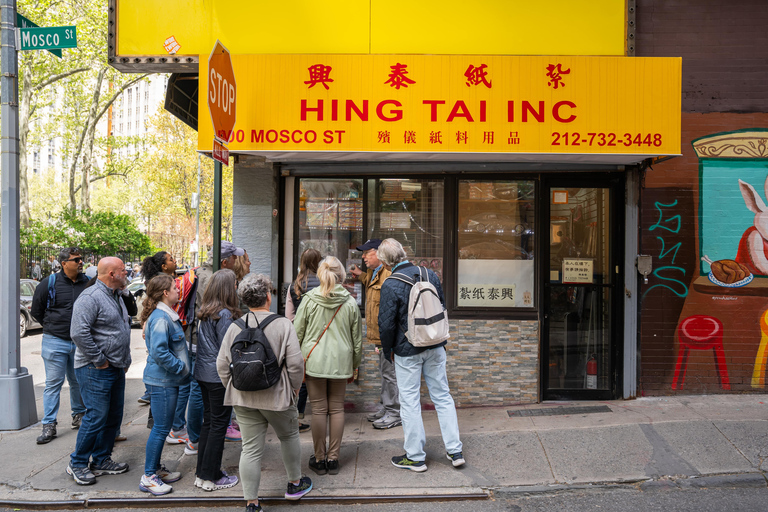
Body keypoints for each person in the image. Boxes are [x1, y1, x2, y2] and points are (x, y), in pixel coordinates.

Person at [217, 273, 312, 512]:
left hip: (244, 398)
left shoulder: (235, 327)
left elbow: (221, 364)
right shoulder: (282, 324)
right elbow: (295, 364)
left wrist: (234, 385)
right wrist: (294, 388)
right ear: (268, 296)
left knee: (250, 448)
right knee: (288, 437)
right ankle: (294, 484)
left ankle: (252, 502)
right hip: (277, 396)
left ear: (245, 300)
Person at [377, 239, 465, 472]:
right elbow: (441, 307)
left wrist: (388, 352)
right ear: (404, 254)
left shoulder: (390, 284)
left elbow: (386, 326)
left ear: (385, 262)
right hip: (435, 345)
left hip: (408, 351)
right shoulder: (431, 275)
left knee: (410, 401)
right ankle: (455, 450)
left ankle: (415, 457)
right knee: (443, 396)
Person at [294, 256, 362, 475]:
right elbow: (357, 340)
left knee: (319, 410)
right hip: (341, 362)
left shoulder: (309, 300)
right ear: (341, 274)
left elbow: (297, 333)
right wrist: (355, 365)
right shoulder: (350, 302)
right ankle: (333, 459)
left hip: (314, 362)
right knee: (337, 409)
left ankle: (319, 458)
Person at [67, 257, 132, 486]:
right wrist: (99, 359)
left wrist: (125, 359)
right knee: (96, 417)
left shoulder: (117, 296)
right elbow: (78, 332)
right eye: (124, 270)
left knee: (112, 417)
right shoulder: (90, 297)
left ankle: (102, 460)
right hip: (95, 368)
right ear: (112, 274)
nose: (128, 273)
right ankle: (77, 463)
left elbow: (121, 328)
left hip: (115, 366)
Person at [30, 247, 89, 444]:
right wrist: (51, 326)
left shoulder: (86, 283)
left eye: (81, 259)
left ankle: (79, 416)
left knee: (77, 381)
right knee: (53, 384)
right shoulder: (49, 282)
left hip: (78, 342)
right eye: (76, 260)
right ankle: (49, 425)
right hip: (54, 341)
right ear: (64, 263)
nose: (81, 262)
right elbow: (37, 310)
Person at [138, 274, 191, 495]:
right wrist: (179, 368)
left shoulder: (165, 315)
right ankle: (148, 476)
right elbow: (160, 352)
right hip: (163, 381)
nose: (179, 290)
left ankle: (156, 470)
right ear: (165, 293)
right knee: (160, 429)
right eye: (174, 288)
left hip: (166, 380)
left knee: (162, 427)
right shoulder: (161, 318)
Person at [194, 269, 241, 491]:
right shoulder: (224, 315)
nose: (236, 288)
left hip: (203, 374)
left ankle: (202, 473)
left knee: (209, 423)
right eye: (234, 284)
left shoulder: (206, 312)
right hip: (217, 377)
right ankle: (212, 476)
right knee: (218, 426)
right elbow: (228, 348)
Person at [350, 239, 400, 429]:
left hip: (389, 337)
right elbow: (371, 284)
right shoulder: (373, 273)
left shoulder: (388, 275)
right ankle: (387, 408)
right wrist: (360, 275)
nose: (363, 257)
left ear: (379, 254)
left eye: (366, 253)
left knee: (389, 374)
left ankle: (394, 412)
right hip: (380, 336)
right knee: (385, 373)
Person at [285, 248, 322, 433]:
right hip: (322, 336)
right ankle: (322, 414)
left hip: (301, 337)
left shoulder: (295, 285)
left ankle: (297, 418)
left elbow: (289, 316)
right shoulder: (324, 283)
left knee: (302, 379)